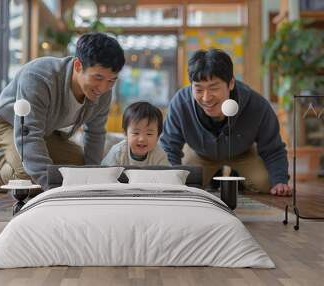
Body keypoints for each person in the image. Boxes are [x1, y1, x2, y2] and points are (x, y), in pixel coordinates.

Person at [0, 32, 125, 189]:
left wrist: (91, 181)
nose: (103, 88)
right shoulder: (38, 77)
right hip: (8, 123)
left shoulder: (103, 92)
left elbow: (95, 133)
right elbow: (30, 134)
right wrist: (53, 189)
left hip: (47, 131)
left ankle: (17, 158)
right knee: (29, 179)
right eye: (98, 78)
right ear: (78, 66)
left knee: (78, 170)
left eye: (111, 80)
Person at [160, 48, 292, 196]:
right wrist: (169, 181)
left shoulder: (257, 104)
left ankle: (236, 178)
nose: (206, 98)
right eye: (198, 90)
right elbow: (169, 147)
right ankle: (213, 179)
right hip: (201, 154)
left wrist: (280, 180)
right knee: (184, 185)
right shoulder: (180, 103)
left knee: (268, 183)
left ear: (231, 83)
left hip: (243, 153)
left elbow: (273, 149)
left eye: (213, 88)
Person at [102, 101, 170, 166]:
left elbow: (165, 176)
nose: (142, 139)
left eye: (149, 134)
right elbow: (105, 174)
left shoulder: (159, 156)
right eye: (136, 133)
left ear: (158, 136)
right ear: (125, 134)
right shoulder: (118, 153)